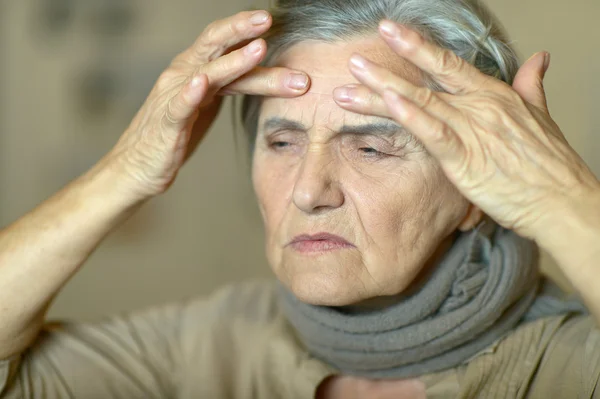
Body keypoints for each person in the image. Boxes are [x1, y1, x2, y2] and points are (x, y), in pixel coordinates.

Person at [1, 0, 599, 397]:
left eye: (371, 149)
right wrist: (125, 172)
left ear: (477, 194)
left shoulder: (567, 366)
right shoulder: (207, 348)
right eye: (282, 141)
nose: (310, 191)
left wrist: (561, 196)